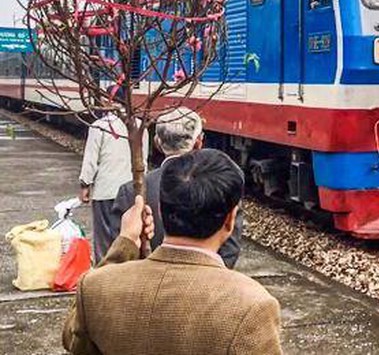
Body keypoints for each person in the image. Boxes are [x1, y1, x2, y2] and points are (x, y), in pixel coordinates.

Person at [62, 149, 282, 355]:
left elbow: (73, 341)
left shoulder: (95, 288)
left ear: (159, 208)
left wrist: (126, 242)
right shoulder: (251, 306)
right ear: (230, 220)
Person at [111, 107, 243, 268]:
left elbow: (118, 251)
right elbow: (230, 251)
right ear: (198, 142)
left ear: (157, 142)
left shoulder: (129, 192)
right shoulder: (223, 186)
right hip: (206, 286)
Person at [79, 111, 148, 264]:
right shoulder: (140, 127)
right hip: (131, 192)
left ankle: (103, 274)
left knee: (104, 241)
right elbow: (143, 161)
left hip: (106, 191)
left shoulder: (100, 126)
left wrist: (85, 184)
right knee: (128, 238)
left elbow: (91, 159)